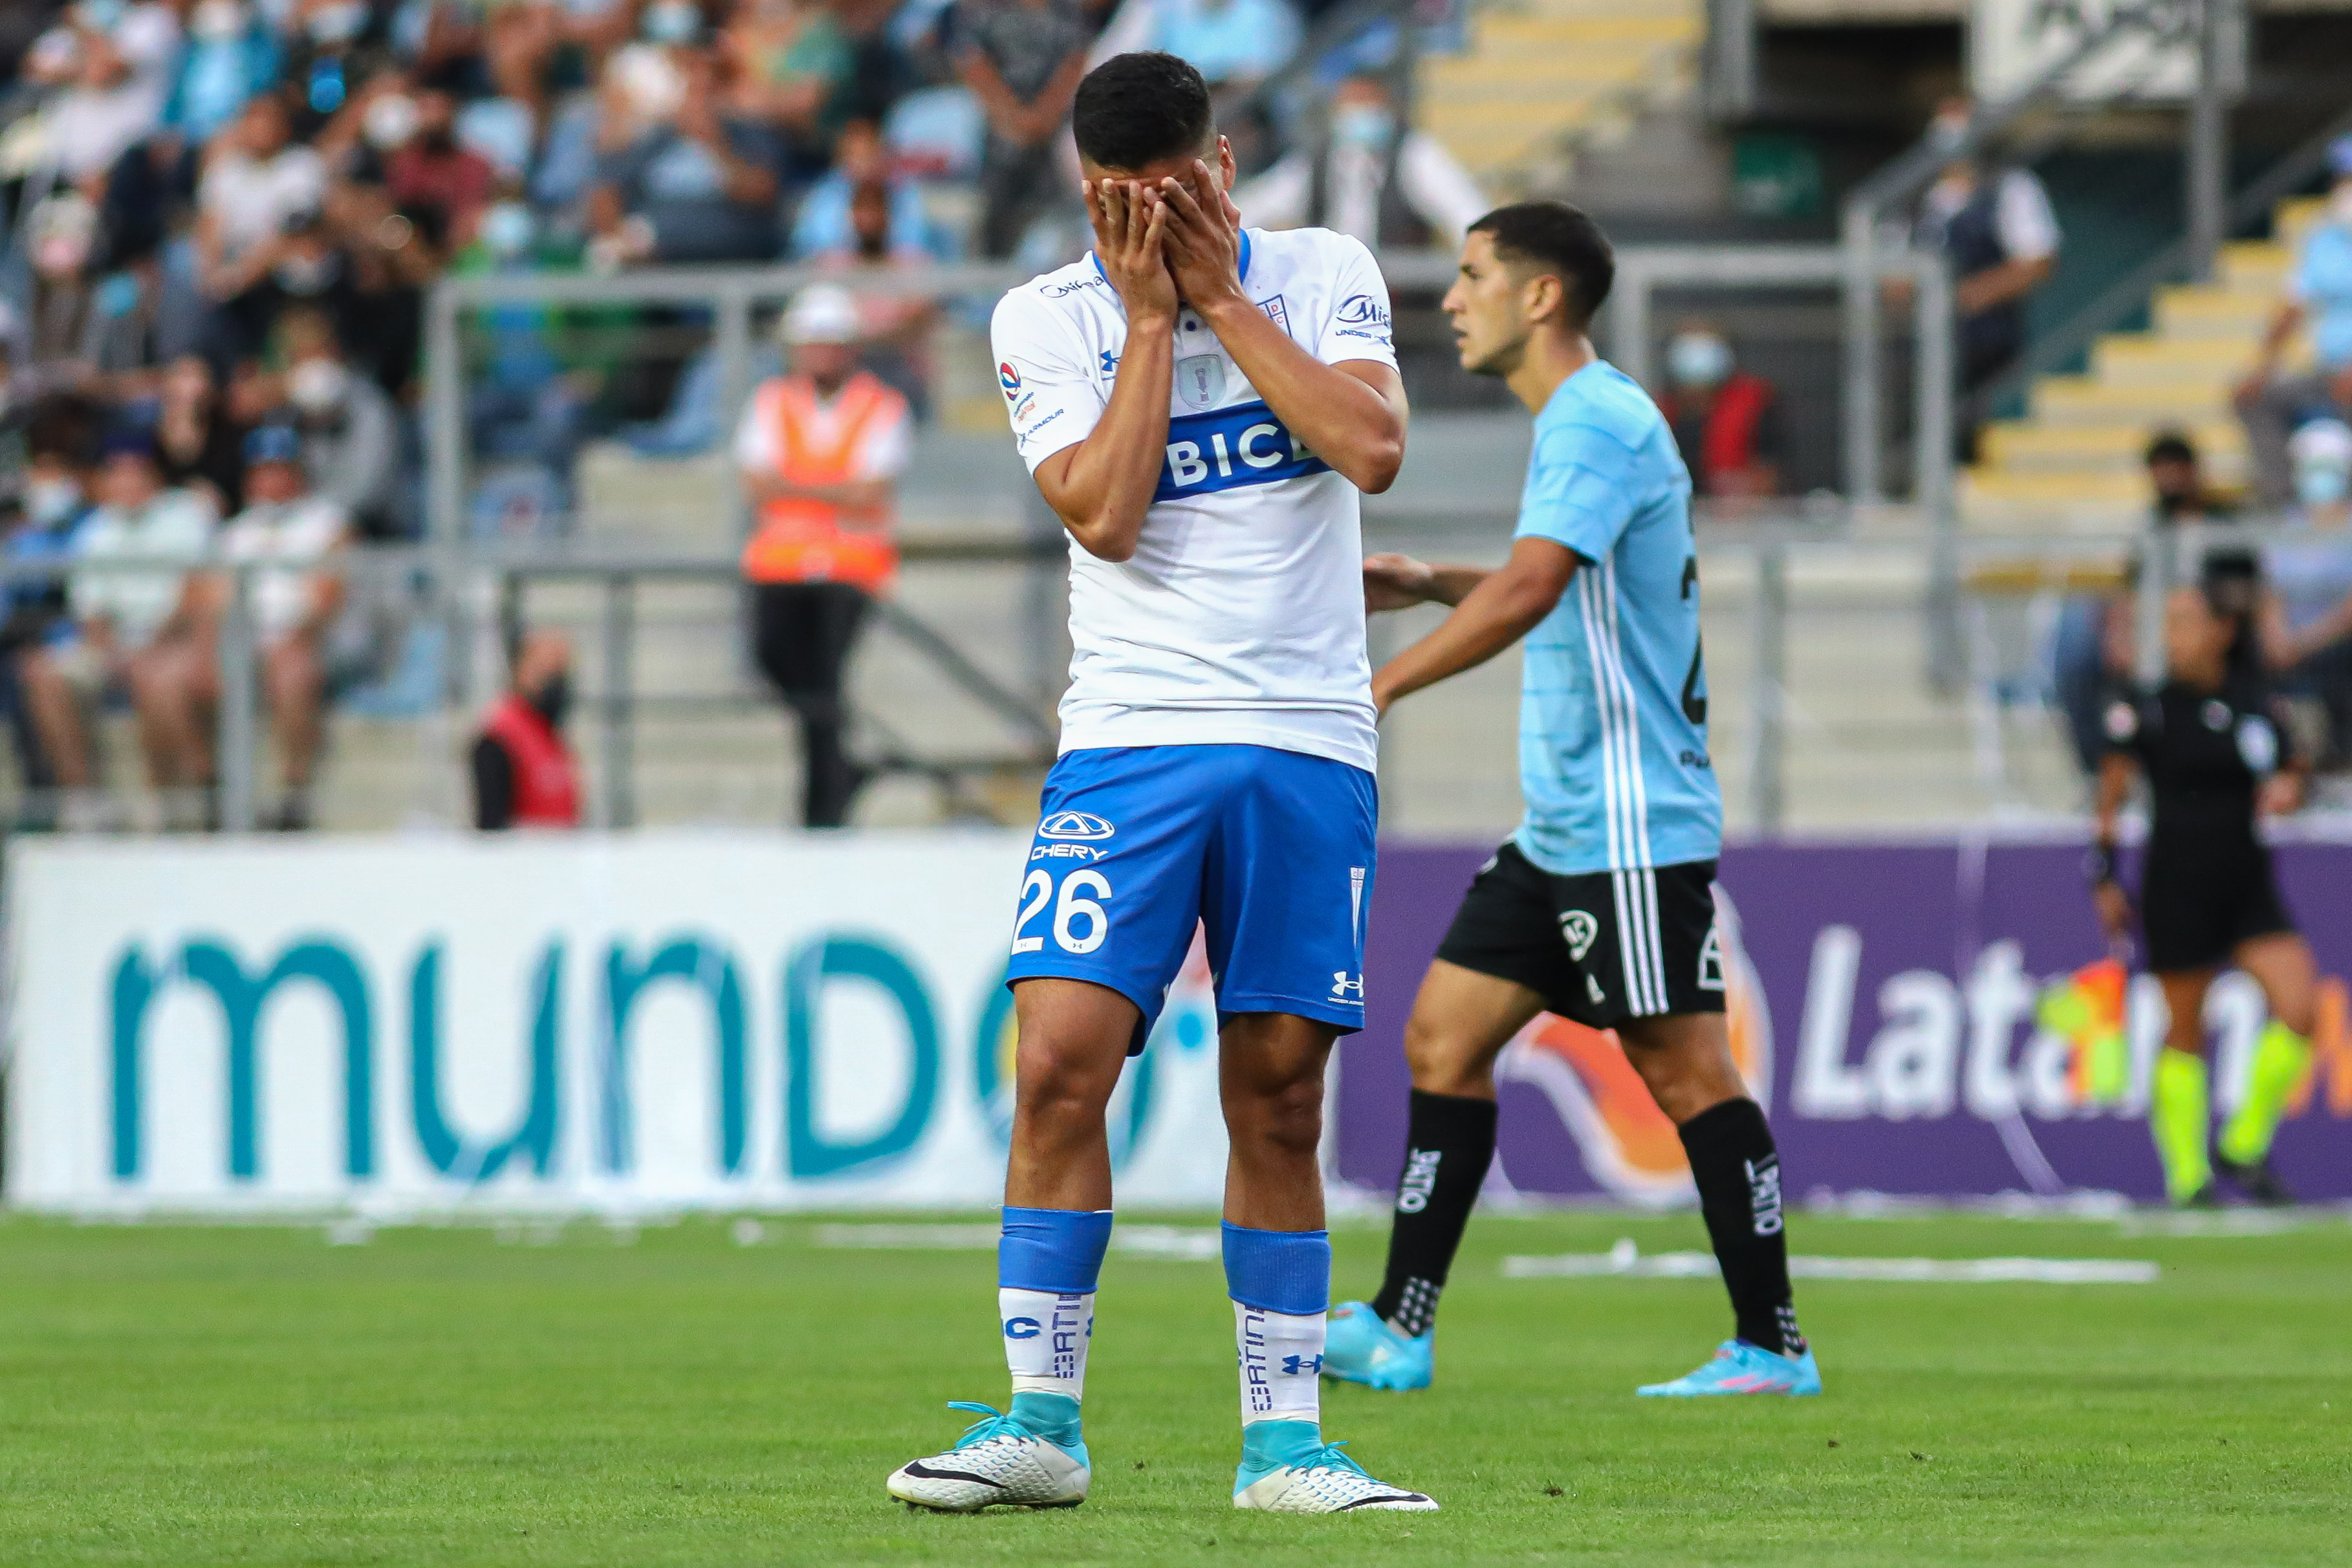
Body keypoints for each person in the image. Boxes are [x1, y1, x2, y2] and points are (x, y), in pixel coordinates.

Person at [886, 51, 1432, 1516]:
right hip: (1127, 738)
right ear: (1084, 192)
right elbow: (1108, 516)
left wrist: (1223, 301)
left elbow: (1371, 447)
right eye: (1114, 203)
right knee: (1058, 1058)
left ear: (1224, 165)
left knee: (1276, 1094)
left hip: (1307, 737)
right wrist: (1146, 318)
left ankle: (1282, 1444)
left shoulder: (1322, 273)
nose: (1140, 222)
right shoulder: (1047, 315)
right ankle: (1042, 1420)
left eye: (1168, 196)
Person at [1329, 201, 1817, 1399]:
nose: (1448, 298)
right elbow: (1559, 576)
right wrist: (1433, 579)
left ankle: (1772, 1342)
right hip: (1561, 829)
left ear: (1540, 296)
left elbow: (1539, 586)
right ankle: (1400, 1322)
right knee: (1443, 1036)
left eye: (1470, 274)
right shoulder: (1582, 424)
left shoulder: (1593, 420)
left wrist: (1382, 684)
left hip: (1629, 823)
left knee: (1687, 1070)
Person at [2090, 579, 2318, 1206]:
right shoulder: (2149, 709)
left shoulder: (2254, 706)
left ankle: (2244, 1143)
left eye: (2187, 622)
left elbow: (2294, 765)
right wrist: (2104, 872)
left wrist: (2291, 789)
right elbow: (2109, 797)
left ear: (2220, 631)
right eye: (2168, 623)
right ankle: (2187, 1176)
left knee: (2299, 1007)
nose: (2174, 637)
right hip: (2179, 885)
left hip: (2246, 883)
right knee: (2185, 1029)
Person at [735, 284, 911, 829]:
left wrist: (795, 485)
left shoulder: (882, 405)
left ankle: (823, 804)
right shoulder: (772, 401)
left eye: (829, 344)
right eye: (811, 344)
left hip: (848, 572)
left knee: (824, 688)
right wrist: (835, 489)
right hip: (780, 569)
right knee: (787, 670)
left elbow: (871, 492)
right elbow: (757, 484)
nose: (819, 355)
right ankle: (834, 780)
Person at [51, 430, 219, 824]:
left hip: (174, 637)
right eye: (117, 473)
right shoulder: (94, 530)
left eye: (135, 472)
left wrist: (149, 648)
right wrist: (113, 652)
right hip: (117, 644)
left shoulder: (186, 516)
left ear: (154, 476)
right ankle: (85, 800)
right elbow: (91, 611)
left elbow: (197, 593)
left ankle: (176, 800)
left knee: (158, 678)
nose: (126, 482)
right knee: (44, 674)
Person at [208, 425, 352, 831]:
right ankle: (205, 794)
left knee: (291, 671)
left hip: (308, 639)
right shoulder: (235, 532)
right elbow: (211, 600)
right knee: (184, 674)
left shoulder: (325, 522)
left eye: (281, 469)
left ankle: (294, 793)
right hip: (245, 642)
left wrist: (289, 638)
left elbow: (327, 598)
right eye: (264, 470)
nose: (273, 480)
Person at [1910, 96, 2060, 461]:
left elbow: (2038, 261)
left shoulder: (2009, 187)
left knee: (1979, 429)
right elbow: (1890, 273)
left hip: (1988, 343)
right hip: (1920, 345)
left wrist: (1966, 295)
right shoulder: (1915, 195)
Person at [1232, 72, 1485, 252]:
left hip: (1401, 298)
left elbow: (1465, 214)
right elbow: (1260, 204)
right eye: (1351, 104)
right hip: (1331, 292)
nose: (1359, 113)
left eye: (1368, 104)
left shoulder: (1414, 154)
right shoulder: (1317, 160)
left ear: (1388, 108)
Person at [2237, 136, 2352, 510]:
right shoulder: (2324, 238)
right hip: (2329, 376)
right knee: (2255, 402)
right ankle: (2282, 512)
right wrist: (2261, 368)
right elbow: (2293, 308)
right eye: (2341, 178)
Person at [956, 0, 1090, 258]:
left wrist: (1042, 116)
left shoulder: (1067, 11)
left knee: (1058, 222)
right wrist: (1013, 118)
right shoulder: (984, 10)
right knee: (995, 224)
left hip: (1054, 136)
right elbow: (973, 62)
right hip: (1001, 135)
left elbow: (1076, 61)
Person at [1653, 321, 1784, 501]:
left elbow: (1772, 471)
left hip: (1740, 520)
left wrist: (1744, 488)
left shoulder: (1757, 404)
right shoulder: (1659, 412)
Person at [471, 630, 582, 829]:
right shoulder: (499, 736)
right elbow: (492, 825)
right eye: (547, 672)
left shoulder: (548, 734)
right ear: (521, 671)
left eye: (560, 673)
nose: (556, 683)